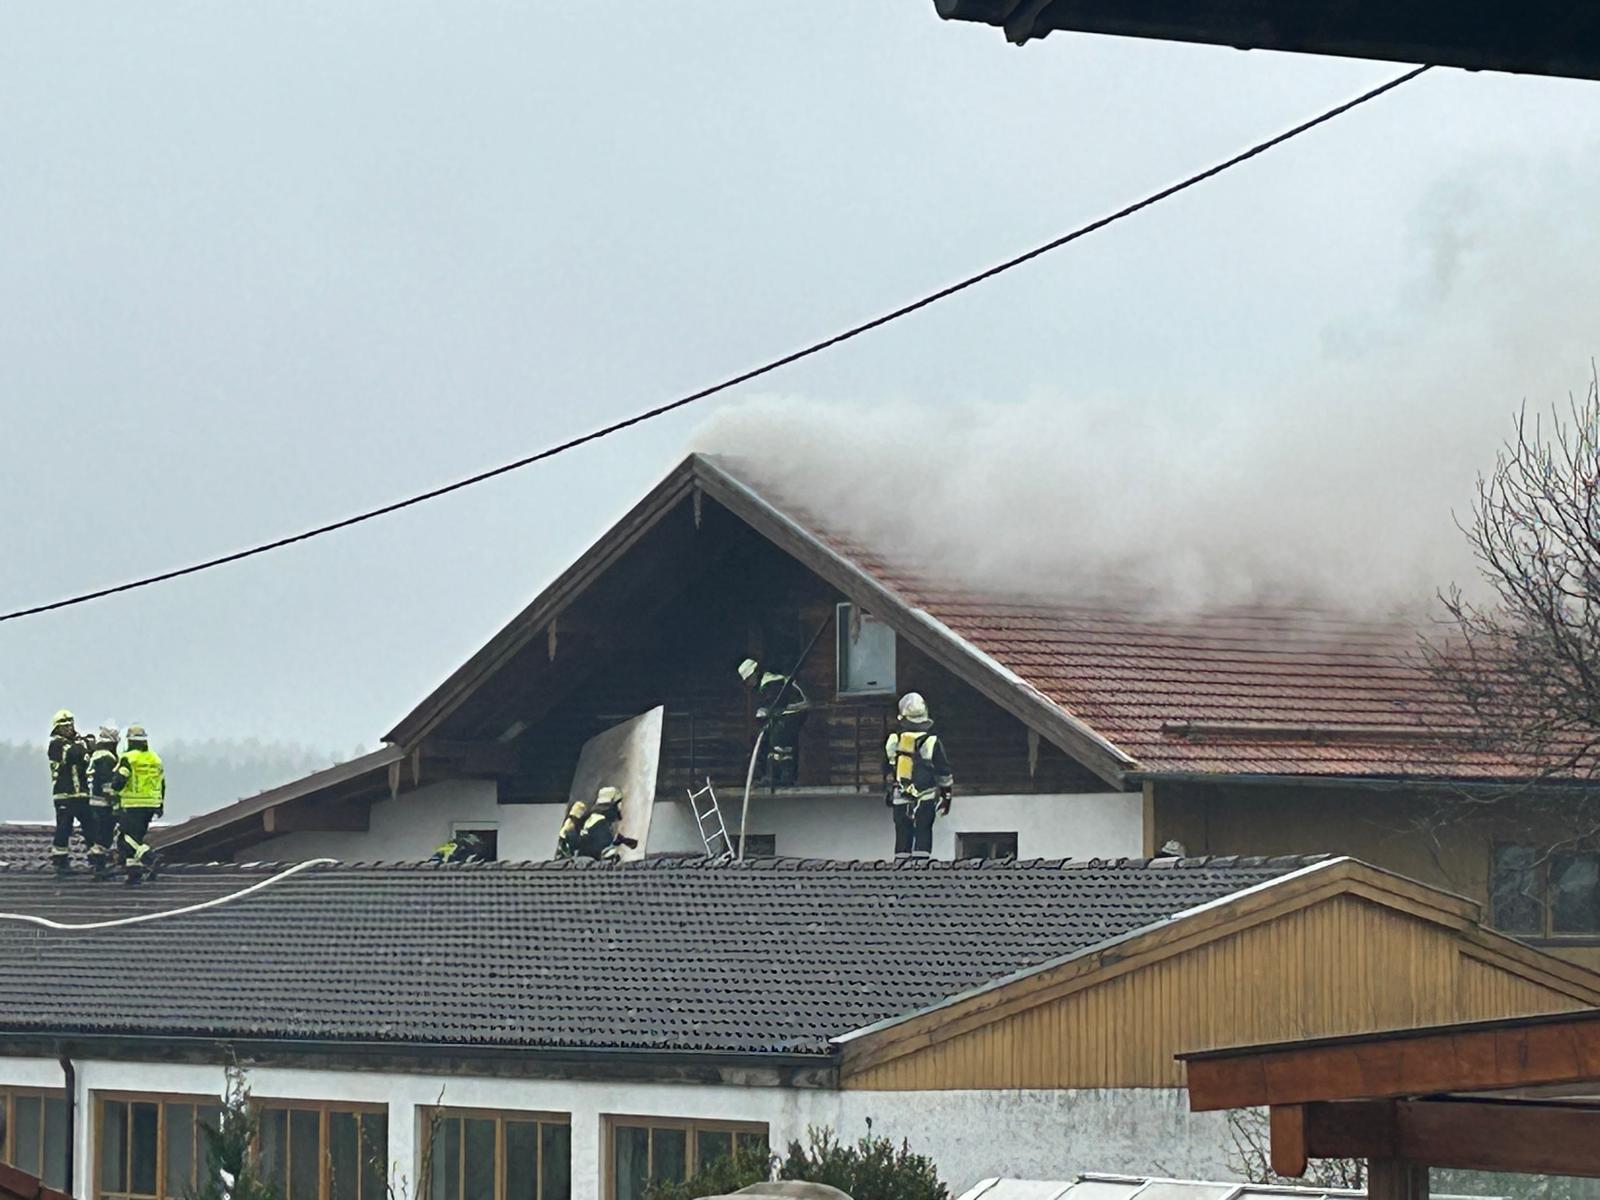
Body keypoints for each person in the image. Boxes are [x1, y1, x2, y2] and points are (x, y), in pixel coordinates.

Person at [883, 692, 954, 863]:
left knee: (902, 830)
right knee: (923, 828)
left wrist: (889, 790)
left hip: (900, 794)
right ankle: (921, 866)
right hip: (925, 794)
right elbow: (943, 771)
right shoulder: (932, 742)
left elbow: (887, 768)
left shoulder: (894, 740)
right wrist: (946, 796)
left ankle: (901, 864)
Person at [738, 658, 810, 786]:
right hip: (785, 713)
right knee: (771, 738)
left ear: (755, 673)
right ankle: (774, 775)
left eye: (749, 679)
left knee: (779, 739)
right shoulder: (765, 684)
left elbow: (777, 703)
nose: (749, 683)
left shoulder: (771, 682)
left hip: (795, 710)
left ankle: (785, 776)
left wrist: (766, 711)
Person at [111, 724, 165, 885]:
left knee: (125, 837)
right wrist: (160, 804)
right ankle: (134, 874)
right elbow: (162, 783)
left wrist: (113, 787)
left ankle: (149, 856)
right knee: (137, 837)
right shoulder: (155, 758)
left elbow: (120, 780)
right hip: (152, 803)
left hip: (132, 803)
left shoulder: (128, 758)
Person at [47, 710, 91, 875]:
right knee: (64, 828)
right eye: (64, 726)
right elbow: (73, 754)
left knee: (91, 827)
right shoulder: (56, 745)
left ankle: (96, 860)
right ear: (57, 728)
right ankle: (60, 862)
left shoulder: (76, 742)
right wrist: (85, 747)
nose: (69, 728)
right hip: (64, 794)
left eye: (70, 725)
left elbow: (87, 756)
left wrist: (85, 746)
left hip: (82, 794)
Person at [555, 786, 638, 860]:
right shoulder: (599, 821)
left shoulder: (595, 819)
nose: (621, 807)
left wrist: (623, 840)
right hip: (589, 864)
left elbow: (594, 839)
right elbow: (605, 845)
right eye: (619, 803)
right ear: (612, 805)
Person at [85, 724, 122, 878]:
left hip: (94, 801)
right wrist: (114, 802)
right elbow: (107, 783)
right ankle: (99, 864)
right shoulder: (107, 758)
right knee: (105, 834)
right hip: (103, 803)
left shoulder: (95, 755)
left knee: (100, 833)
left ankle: (97, 863)